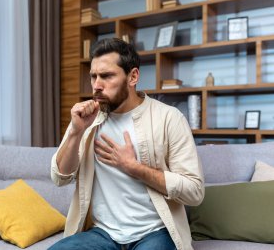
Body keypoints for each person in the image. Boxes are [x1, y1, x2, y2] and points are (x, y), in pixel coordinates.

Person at [49, 38, 204, 250]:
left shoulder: (169, 118)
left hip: (155, 232)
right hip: (102, 233)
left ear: (133, 76)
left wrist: (134, 167)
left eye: (106, 76)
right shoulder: (87, 120)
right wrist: (76, 131)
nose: (96, 85)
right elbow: (60, 177)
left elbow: (194, 191)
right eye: (93, 76)